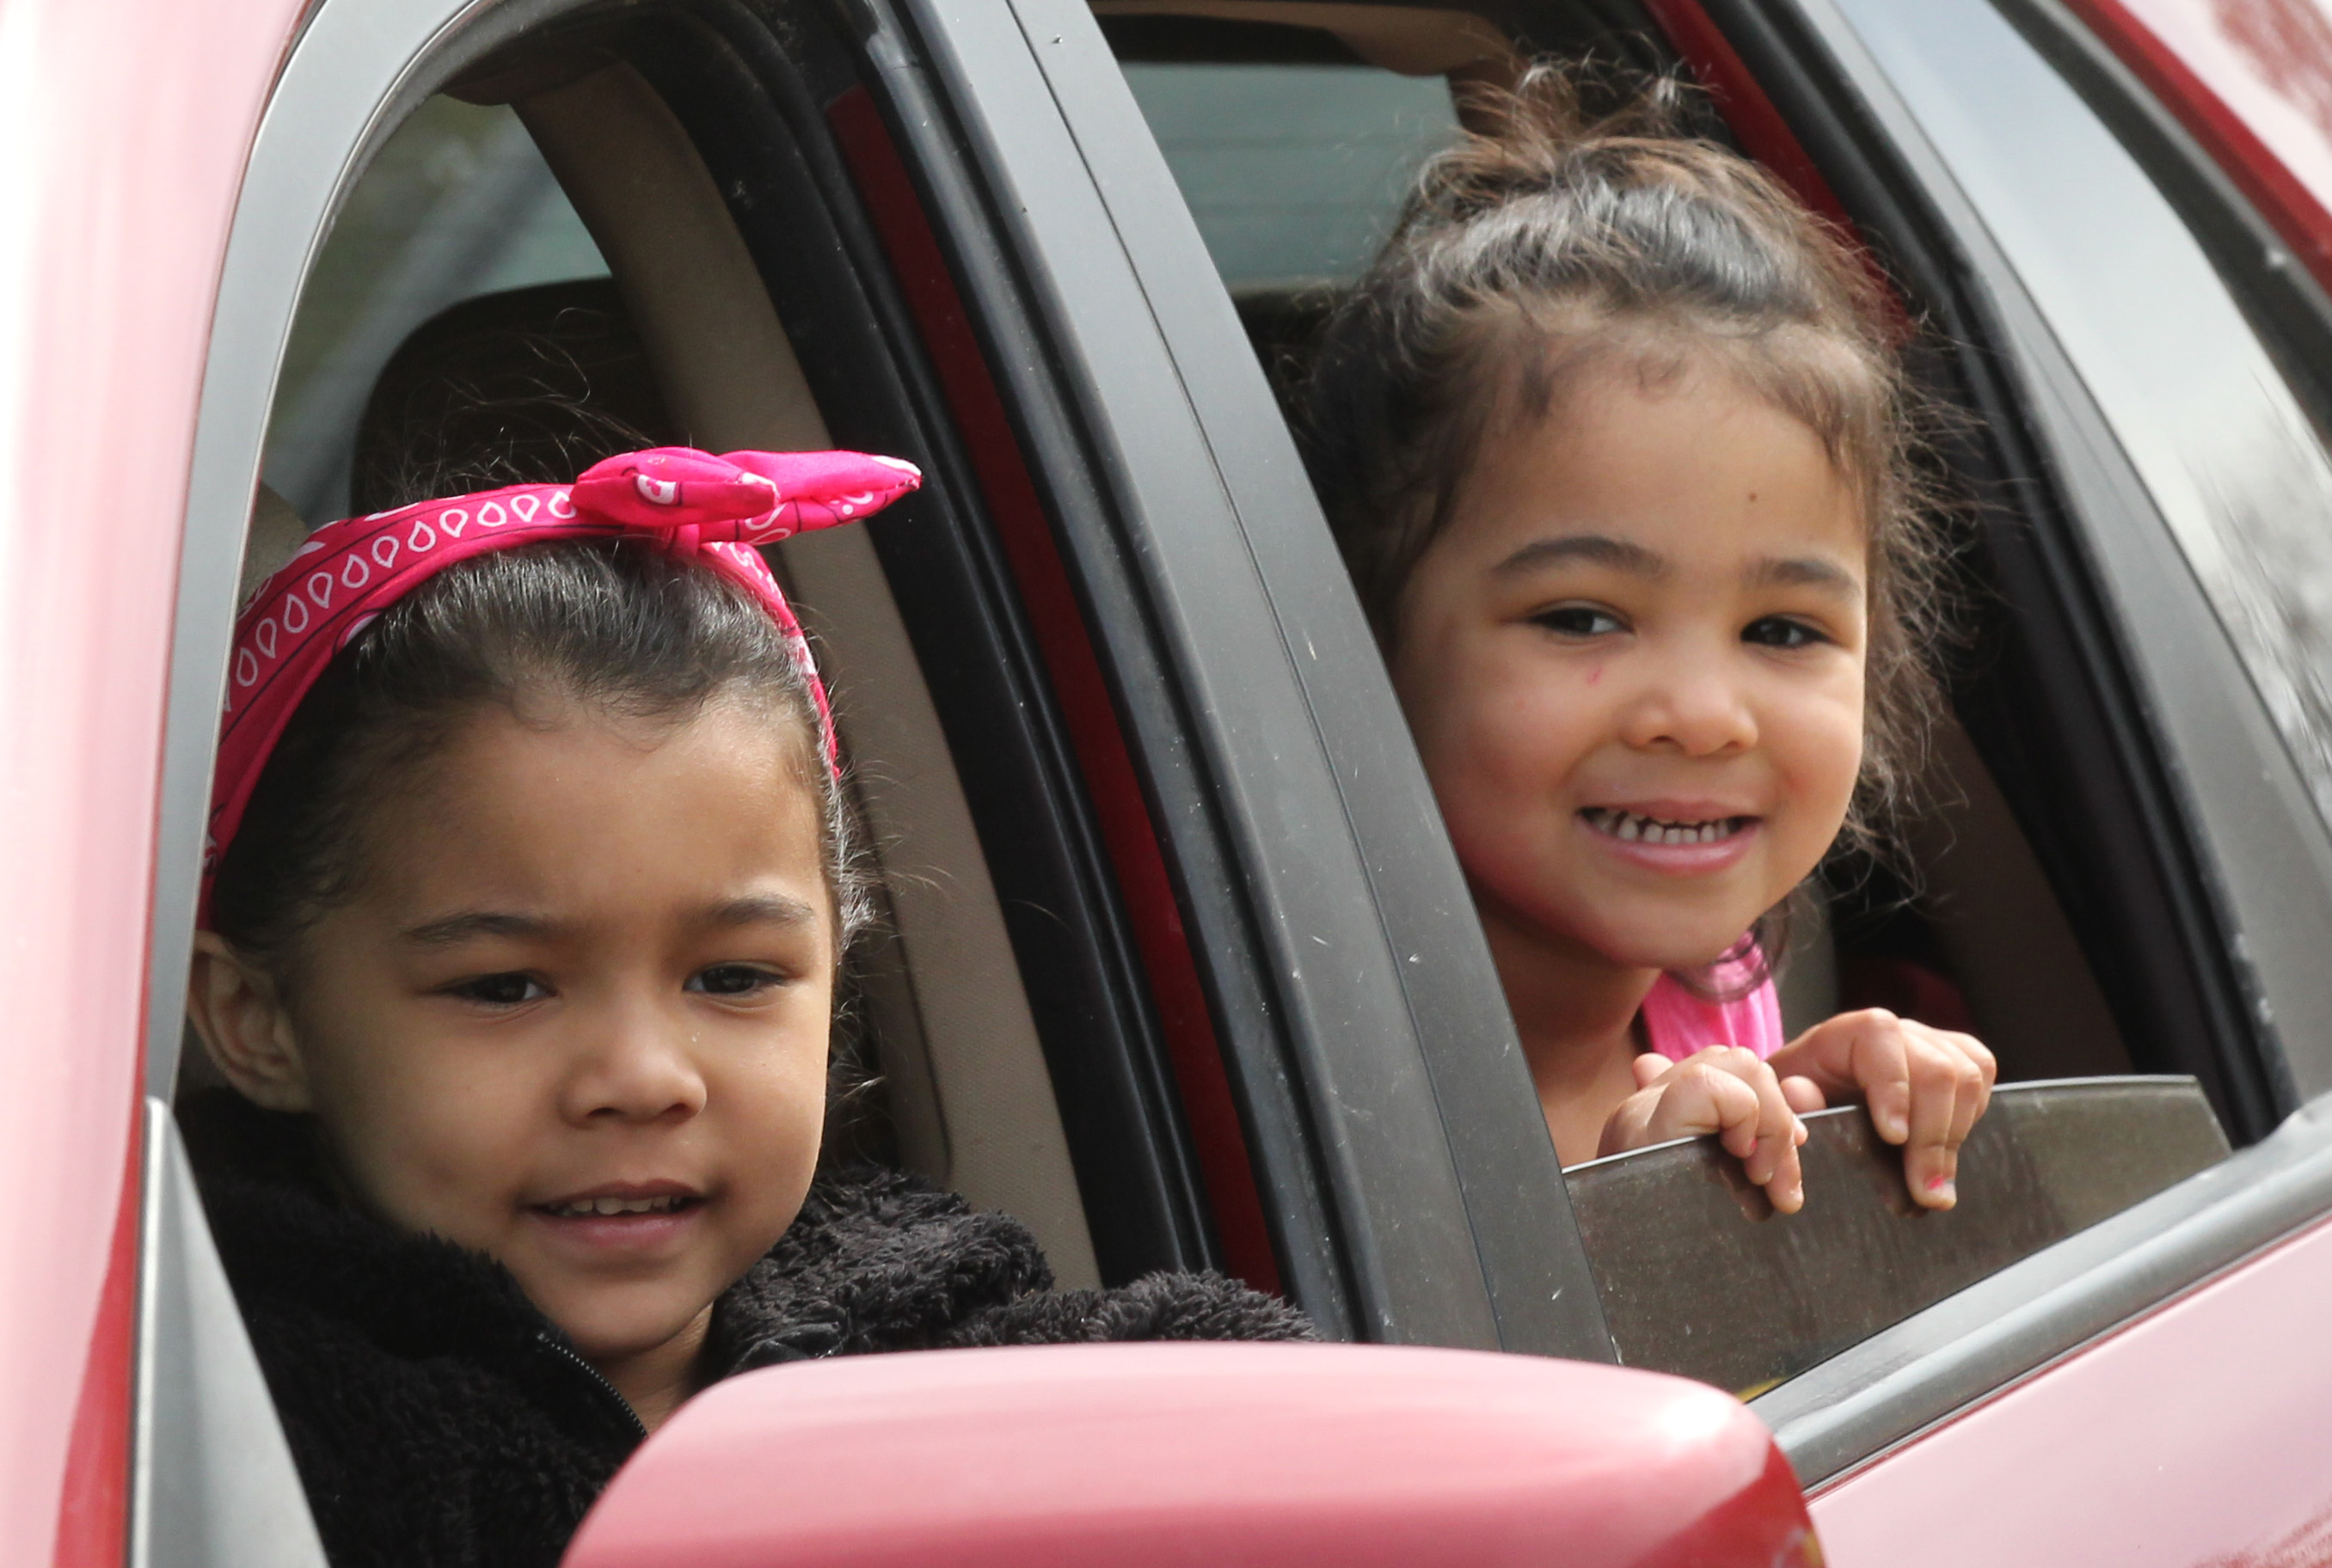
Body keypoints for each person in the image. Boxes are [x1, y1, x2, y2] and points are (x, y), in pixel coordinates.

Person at [181, 445, 1309, 1568]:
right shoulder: (214, 1436)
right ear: (254, 1016)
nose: (642, 1079)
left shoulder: (957, 1362)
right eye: (504, 987)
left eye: (732, 978)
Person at [1299, 68, 1995, 1215]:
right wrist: (1644, 1224)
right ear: (1366, 641)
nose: (1704, 713)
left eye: (1782, 629)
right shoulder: (1325, 1081)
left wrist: (1808, 1129)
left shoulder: (1710, 1002)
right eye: (1582, 616)